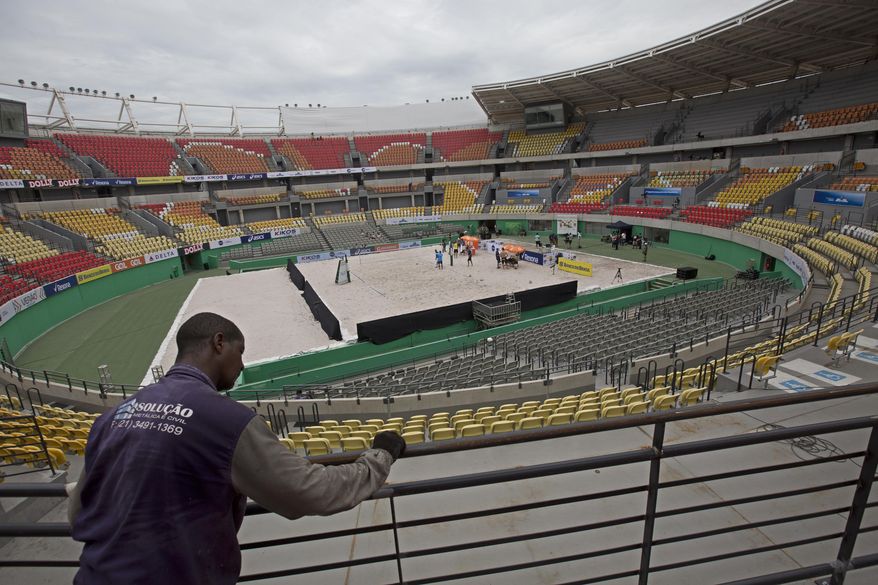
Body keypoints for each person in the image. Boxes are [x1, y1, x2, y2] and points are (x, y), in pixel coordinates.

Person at [67, 313, 405, 585]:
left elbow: (78, 511)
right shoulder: (227, 420)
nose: (242, 365)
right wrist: (379, 457)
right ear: (218, 343)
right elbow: (309, 491)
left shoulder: (114, 416)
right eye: (239, 352)